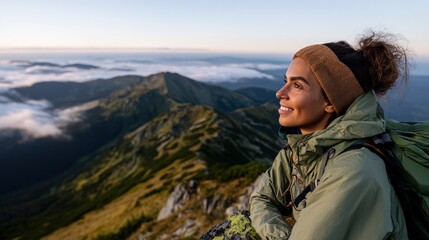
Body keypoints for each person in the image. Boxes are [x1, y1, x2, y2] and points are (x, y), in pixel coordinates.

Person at [249, 31, 410, 239]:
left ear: (330, 102)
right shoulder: (302, 147)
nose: (280, 93)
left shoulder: (354, 171)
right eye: (286, 81)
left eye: (297, 85)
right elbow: (261, 197)